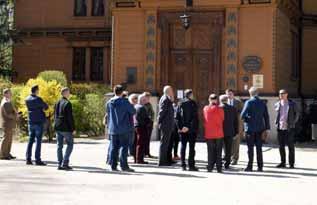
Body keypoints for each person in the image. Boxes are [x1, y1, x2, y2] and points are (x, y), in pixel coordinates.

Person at [106, 85, 136, 172]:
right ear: (122, 92)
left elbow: (108, 114)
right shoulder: (124, 102)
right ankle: (124, 166)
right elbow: (133, 111)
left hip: (113, 128)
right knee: (124, 147)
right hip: (124, 128)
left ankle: (113, 165)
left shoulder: (109, 102)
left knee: (113, 147)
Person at [241, 87, 270, 172]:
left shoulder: (248, 102)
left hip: (250, 128)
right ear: (258, 93)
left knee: (250, 149)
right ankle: (260, 167)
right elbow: (266, 116)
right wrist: (267, 128)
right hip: (260, 128)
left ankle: (250, 166)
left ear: (250, 93)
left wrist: (247, 118)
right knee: (259, 148)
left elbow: (242, 115)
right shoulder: (262, 102)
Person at [275, 89, 299, 169]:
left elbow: (297, 114)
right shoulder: (278, 104)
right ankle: (283, 162)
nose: (281, 95)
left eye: (283, 93)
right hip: (280, 128)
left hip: (289, 128)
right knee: (281, 146)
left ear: (286, 94)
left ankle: (291, 163)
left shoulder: (292, 104)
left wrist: (293, 123)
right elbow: (278, 115)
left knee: (290, 146)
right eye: (280, 94)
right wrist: (276, 123)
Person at [176, 89, 199, 171]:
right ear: (190, 95)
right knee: (191, 147)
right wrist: (188, 127)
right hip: (191, 129)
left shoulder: (180, 103)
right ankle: (191, 165)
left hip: (183, 130)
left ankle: (183, 165)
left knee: (183, 146)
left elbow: (177, 117)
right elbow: (194, 118)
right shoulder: (193, 103)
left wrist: (181, 128)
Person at [25, 85, 49, 166]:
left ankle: (28, 159)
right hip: (38, 122)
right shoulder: (38, 99)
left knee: (30, 140)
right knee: (38, 141)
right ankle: (37, 159)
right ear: (36, 91)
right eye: (38, 90)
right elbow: (46, 107)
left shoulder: (27, 99)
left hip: (31, 121)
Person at [54, 87, 75, 170]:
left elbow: (55, 115)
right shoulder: (67, 103)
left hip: (58, 126)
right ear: (65, 93)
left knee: (59, 146)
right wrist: (73, 128)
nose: (69, 94)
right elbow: (70, 117)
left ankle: (59, 163)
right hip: (66, 128)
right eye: (69, 92)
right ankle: (65, 162)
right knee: (70, 144)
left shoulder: (57, 102)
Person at [203, 94, 224, 173]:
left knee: (210, 151)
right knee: (219, 151)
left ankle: (210, 167)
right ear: (217, 100)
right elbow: (222, 119)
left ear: (209, 99)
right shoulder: (220, 109)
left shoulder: (205, 108)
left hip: (209, 133)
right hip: (219, 133)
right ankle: (219, 168)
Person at [158, 85, 175, 166]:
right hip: (166, 124)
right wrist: (159, 121)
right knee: (164, 143)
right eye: (171, 90)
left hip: (167, 124)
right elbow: (162, 111)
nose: (172, 91)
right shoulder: (165, 99)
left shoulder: (166, 98)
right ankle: (162, 161)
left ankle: (166, 160)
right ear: (168, 91)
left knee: (166, 143)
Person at [220, 94, 238, 169]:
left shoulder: (219, 108)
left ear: (220, 100)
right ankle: (227, 163)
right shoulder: (233, 108)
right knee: (228, 148)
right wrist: (236, 132)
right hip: (230, 131)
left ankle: (219, 162)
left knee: (219, 147)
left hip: (220, 131)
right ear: (227, 100)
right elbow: (235, 121)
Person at [226, 89, 243, 165]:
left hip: (236, 125)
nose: (229, 95)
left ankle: (235, 158)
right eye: (227, 94)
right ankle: (228, 157)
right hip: (227, 125)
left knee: (236, 143)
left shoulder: (238, 102)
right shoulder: (224, 102)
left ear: (233, 94)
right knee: (227, 142)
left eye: (230, 94)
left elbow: (242, 113)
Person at [0, 89, 18, 160]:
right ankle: (2, 155)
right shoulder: (5, 102)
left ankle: (7, 154)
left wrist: (15, 113)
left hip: (8, 123)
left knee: (9, 139)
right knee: (6, 139)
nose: (11, 94)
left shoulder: (7, 101)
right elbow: (8, 114)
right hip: (7, 123)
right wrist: (16, 116)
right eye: (9, 93)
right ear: (5, 94)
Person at [134, 94, 151, 164]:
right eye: (144, 100)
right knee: (141, 143)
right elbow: (146, 118)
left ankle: (136, 158)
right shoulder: (142, 108)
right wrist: (149, 121)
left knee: (137, 143)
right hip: (142, 126)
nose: (146, 101)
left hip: (136, 126)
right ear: (142, 100)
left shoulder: (135, 106)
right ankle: (139, 159)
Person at [143, 92, 155, 158]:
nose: (148, 98)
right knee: (143, 139)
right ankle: (143, 153)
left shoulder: (149, 104)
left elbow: (152, 113)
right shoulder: (142, 104)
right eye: (147, 97)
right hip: (143, 124)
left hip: (149, 123)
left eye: (149, 97)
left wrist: (152, 120)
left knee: (148, 139)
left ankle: (147, 153)